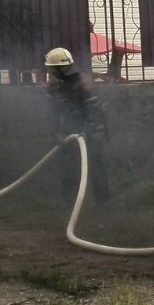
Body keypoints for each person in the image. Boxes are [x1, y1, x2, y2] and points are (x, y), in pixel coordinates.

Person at [44, 47, 110, 204]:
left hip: (92, 132)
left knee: (95, 167)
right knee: (67, 167)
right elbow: (51, 112)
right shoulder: (54, 85)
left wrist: (85, 133)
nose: (49, 72)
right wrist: (55, 132)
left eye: (52, 68)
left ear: (61, 69)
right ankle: (69, 204)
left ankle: (103, 206)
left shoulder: (84, 84)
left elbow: (94, 113)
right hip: (69, 131)